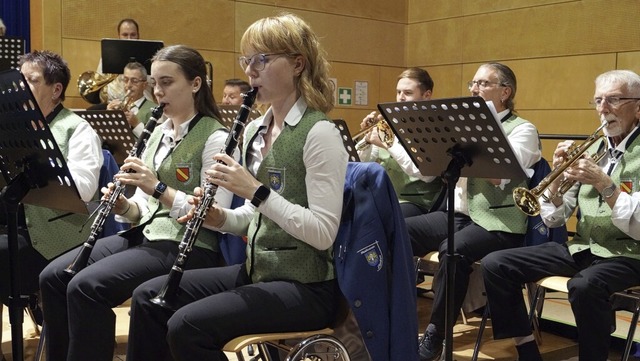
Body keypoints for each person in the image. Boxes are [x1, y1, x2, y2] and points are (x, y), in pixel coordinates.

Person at [126, 13, 348, 361]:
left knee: (187, 327)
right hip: (257, 271)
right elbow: (251, 216)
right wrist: (217, 218)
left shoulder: (319, 133)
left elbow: (322, 233)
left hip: (308, 287)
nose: (250, 70)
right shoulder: (257, 129)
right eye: (247, 60)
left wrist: (256, 190)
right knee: (147, 297)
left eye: (262, 59)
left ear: (297, 64)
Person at [39, 44, 235, 361]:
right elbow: (140, 208)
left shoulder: (216, 137)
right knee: (54, 277)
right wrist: (122, 207)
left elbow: (212, 214)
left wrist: (157, 187)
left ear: (196, 84)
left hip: (189, 245)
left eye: (167, 82)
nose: (158, 92)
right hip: (144, 235)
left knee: (86, 286)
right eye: (155, 83)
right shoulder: (157, 131)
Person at [482, 69, 640, 361]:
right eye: (598, 101)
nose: (603, 109)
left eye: (614, 100)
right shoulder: (593, 148)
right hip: (584, 247)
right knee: (496, 263)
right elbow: (554, 219)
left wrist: (605, 184)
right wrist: (555, 182)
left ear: (638, 105)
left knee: (584, 285)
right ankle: (526, 348)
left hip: (629, 253)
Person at [412, 62, 542, 360]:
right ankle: (395, 314)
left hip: (499, 221)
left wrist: (469, 141)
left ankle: (436, 332)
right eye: (473, 83)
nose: (474, 88)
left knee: (453, 249)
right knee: (398, 231)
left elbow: (500, 176)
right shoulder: (462, 126)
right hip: (460, 215)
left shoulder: (523, 130)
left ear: (505, 92)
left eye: (483, 83)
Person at [0, 50, 103, 358]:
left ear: (55, 89)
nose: (20, 88)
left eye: (30, 81)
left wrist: (42, 164)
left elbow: (85, 189)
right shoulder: (13, 128)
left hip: (58, 240)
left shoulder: (78, 129)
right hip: (17, 228)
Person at [357, 67, 443, 217]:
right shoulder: (390, 122)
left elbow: (426, 174)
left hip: (420, 202)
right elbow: (362, 160)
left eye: (408, 93)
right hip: (389, 196)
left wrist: (388, 144)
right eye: (398, 92)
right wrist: (367, 138)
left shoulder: (434, 127)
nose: (401, 97)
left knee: (379, 218)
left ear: (427, 95)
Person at [106, 61, 158, 138]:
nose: (128, 85)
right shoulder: (118, 107)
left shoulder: (154, 109)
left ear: (144, 85)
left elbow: (154, 141)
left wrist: (136, 124)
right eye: (125, 80)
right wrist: (108, 117)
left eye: (134, 81)